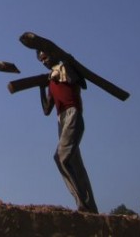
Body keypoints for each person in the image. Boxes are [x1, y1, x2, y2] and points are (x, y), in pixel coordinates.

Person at [37, 49, 99, 213]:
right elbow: (46, 110)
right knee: (75, 164)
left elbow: (80, 81)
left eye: (45, 57)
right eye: (41, 60)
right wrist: (42, 88)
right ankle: (90, 206)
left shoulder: (66, 69)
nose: (44, 62)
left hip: (73, 115)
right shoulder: (51, 81)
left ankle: (82, 203)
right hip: (61, 120)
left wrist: (61, 67)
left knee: (60, 158)